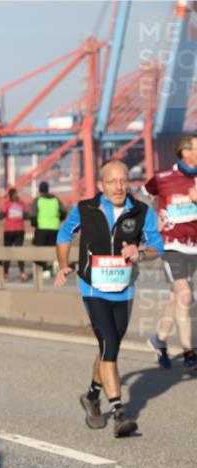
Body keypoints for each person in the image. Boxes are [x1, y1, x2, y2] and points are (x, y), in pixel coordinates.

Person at [55, 160, 163, 437]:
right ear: (101, 185)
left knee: (108, 347)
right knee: (109, 345)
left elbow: (156, 246)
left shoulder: (141, 211)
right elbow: (64, 234)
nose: (119, 186)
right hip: (93, 288)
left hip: (124, 289)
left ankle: (91, 396)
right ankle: (118, 412)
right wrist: (63, 263)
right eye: (112, 181)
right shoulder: (86, 209)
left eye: (123, 180)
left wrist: (140, 253)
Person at [144, 134, 197, 371]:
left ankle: (160, 340)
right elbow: (144, 196)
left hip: (194, 246)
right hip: (171, 245)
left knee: (175, 298)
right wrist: (153, 220)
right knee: (185, 295)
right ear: (186, 152)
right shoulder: (163, 177)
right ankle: (189, 353)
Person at [30, 181, 66, 277]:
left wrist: (34, 223)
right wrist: (59, 219)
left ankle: (44, 269)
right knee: (54, 248)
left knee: (39, 250)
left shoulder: (38, 200)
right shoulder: (55, 199)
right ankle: (55, 262)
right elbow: (64, 211)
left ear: (39, 190)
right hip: (55, 227)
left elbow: (33, 214)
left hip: (42, 228)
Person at [0, 187, 29, 282]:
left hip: (8, 230)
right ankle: (22, 273)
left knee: (7, 252)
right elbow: (27, 216)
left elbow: (0, 216)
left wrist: (6, 212)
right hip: (20, 230)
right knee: (19, 252)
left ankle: (5, 273)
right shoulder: (22, 204)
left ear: (9, 196)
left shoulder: (7, 204)